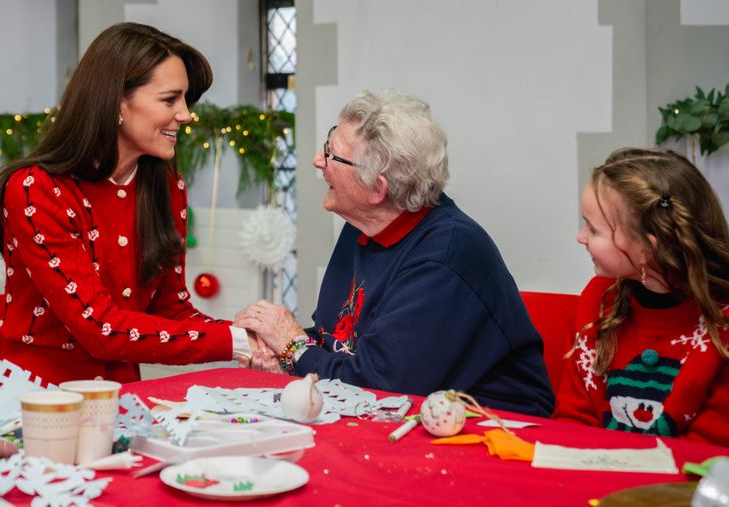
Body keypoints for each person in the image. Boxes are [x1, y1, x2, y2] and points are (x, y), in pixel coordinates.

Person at [236, 90, 554, 417]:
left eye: (332, 154)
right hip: (396, 417)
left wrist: (294, 348)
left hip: (490, 429)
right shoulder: (363, 226)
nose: (318, 160)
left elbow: (379, 385)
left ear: (377, 188)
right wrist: (276, 346)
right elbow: (339, 341)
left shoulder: (446, 255)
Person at [0, 22, 250, 384]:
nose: (186, 114)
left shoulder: (167, 187)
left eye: (186, 99)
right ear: (117, 102)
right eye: (170, 99)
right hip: (40, 402)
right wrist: (236, 342)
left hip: (123, 395)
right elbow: (100, 329)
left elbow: (171, 310)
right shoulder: (35, 189)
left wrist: (251, 335)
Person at [554, 148, 729, 446]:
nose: (581, 237)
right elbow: (572, 422)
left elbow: (709, 451)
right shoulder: (598, 302)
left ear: (647, 250)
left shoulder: (719, 326)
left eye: (594, 229)